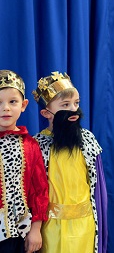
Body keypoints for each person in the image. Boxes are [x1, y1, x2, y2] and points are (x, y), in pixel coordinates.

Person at [33, 71, 108, 253]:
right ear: (46, 113)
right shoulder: (37, 146)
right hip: (51, 229)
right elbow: (34, 192)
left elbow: (98, 187)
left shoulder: (87, 140)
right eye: (65, 105)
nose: (74, 110)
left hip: (85, 227)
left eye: (76, 103)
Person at [0, 70, 48, 253]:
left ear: (23, 105)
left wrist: (36, 229)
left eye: (12, 101)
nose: (6, 108)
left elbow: (39, 190)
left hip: (19, 234)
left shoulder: (30, 145)